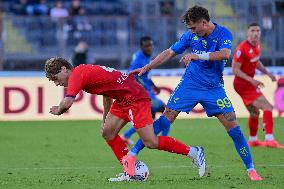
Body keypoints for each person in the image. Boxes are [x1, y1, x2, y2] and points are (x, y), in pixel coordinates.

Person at [128, 5, 262, 181]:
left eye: (193, 27)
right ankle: (132, 154)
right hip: (189, 85)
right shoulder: (190, 36)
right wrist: (147, 67)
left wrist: (197, 56)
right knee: (166, 116)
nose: (190, 31)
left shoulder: (223, 33)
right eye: (189, 28)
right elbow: (169, 52)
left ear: (204, 23)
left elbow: (224, 54)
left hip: (213, 88)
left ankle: (251, 169)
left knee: (233, 127)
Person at [44, 57, 205, 181]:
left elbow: (68, 101)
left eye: (55, 78)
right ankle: (131, 170)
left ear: (64, 68)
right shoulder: (83, 72)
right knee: (108, 132)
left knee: (150, 142)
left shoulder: (77, 75)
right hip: (123, 99)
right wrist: (105, 119)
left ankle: (194, 151)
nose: (57, 83)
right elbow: (107, 94)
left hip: (134, 97)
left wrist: (58, 110)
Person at [232, 23, 284, 148]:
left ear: (260, 32)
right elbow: (235, 70)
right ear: (247, 33)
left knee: (254, 113)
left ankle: (253, 140)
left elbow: (256, 61)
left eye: (258, 30)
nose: (255, 33)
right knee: (268, 107)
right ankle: (269, 139)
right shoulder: (241, 49)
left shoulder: (257, 46)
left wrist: (267, 73)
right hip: (243, 84)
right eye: (253, 30)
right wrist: (251, 80)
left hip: (246, 83)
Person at [121, 36, 167, 145]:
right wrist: (143, 89)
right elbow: (132, 75)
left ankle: (125, 136)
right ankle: (164, 139)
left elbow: (144, 75)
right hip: (142, 93)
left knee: (150, 118)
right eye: (147, 46)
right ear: (141, 47)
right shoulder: (139, 60)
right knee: (166, 111)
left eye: (151, 45)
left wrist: (153, 85)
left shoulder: (144, 56)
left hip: (145, 91)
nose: (150, 48)